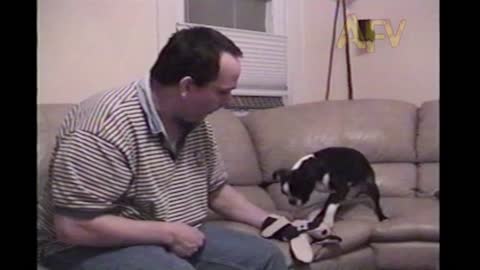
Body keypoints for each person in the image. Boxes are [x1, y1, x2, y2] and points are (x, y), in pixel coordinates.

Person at [37, 26, 292, 270]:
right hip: (85, 247)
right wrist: (168, 233)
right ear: (187, 86)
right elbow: (74, 227)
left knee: (266, 257)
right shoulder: (101, 128)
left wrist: (272, 221)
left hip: (171, 232)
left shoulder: (195, 121)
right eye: (223, 92)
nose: (229, 101)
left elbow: (217, 192)